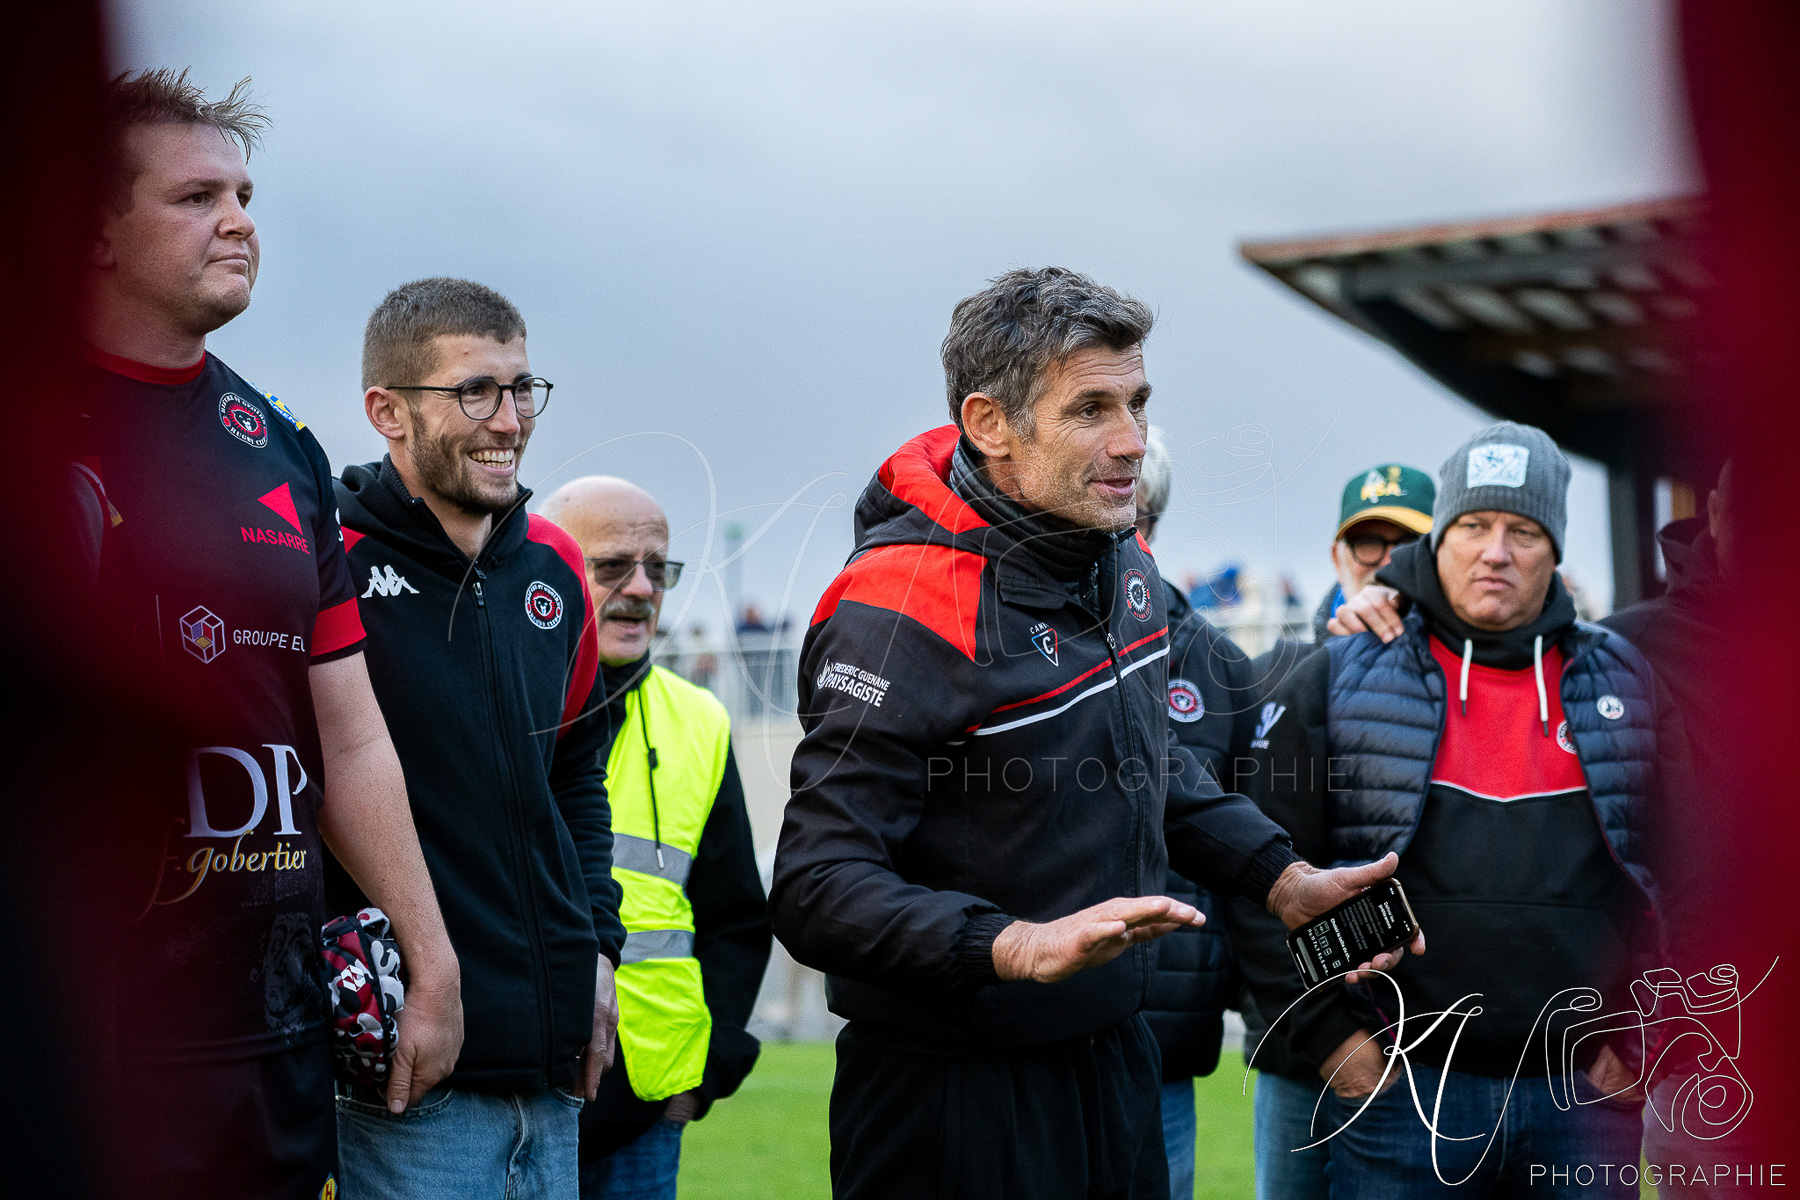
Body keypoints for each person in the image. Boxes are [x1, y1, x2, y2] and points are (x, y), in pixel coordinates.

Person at [771, 266, 1423, 1200]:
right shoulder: (898, 606)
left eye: (1138, 403)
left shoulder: (1122, 560)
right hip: (952, 1090)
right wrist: (1015, 946)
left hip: (1118, 1056)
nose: (1130, 443)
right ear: (990, 422)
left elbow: (1141, 763)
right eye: (1090, 410)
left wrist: (1281, 878)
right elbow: (816, 886)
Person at [80, 69, 462, 1199]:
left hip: (271, 1037)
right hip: (86, 1040)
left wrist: (427, 948)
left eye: (246, 195)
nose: (241, 221)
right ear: (93, 230)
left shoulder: (279, 448)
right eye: (198, 198)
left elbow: (347, 736)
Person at [1240, 421, 1679, 1198]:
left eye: (1523, 530)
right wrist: (1333, 1039)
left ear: (1556, 550)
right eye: (1474, 526)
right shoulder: (1340, 674)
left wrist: (1651, 1036)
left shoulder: (1627, 682)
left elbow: (1697, 875)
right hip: (1403, 1089)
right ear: (1441, 539)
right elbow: (1261, 876)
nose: (1496, 551)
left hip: (1580, 1098)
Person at [329, 279, 626, 1199]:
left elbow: (574, 777)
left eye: (523, 387)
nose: (509, 419)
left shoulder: (556, 567)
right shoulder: (324, 560)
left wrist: (599, 954)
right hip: (407, 1084)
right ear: (387, 411)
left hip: (553, 1075)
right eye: (475, 392)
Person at [539, 477, 773, 1199]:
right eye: (612, 566)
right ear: (547, 569)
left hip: (647, 1107)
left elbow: (736, 916)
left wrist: (708, 1073)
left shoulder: (700, 721)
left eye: (658, 567)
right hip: (510, 1094)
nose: (641, 588)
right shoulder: (502, 701)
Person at [1230, 460, 1434, 1200]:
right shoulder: (1267, 677)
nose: (1381, 561)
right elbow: (1243, 869)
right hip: (1298, 1047)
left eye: (1402, 542)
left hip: (1429, 1040)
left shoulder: (1463, 682)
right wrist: (1325, 1040)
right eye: (1365, 542)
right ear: (1337, 556)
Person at [1134, 427, 1257, 1200]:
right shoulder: (1010, 646)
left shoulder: (1218, 668)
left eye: (1137, 512)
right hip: (1028, 1027)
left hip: (1163, 1040)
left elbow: (1247, 848)